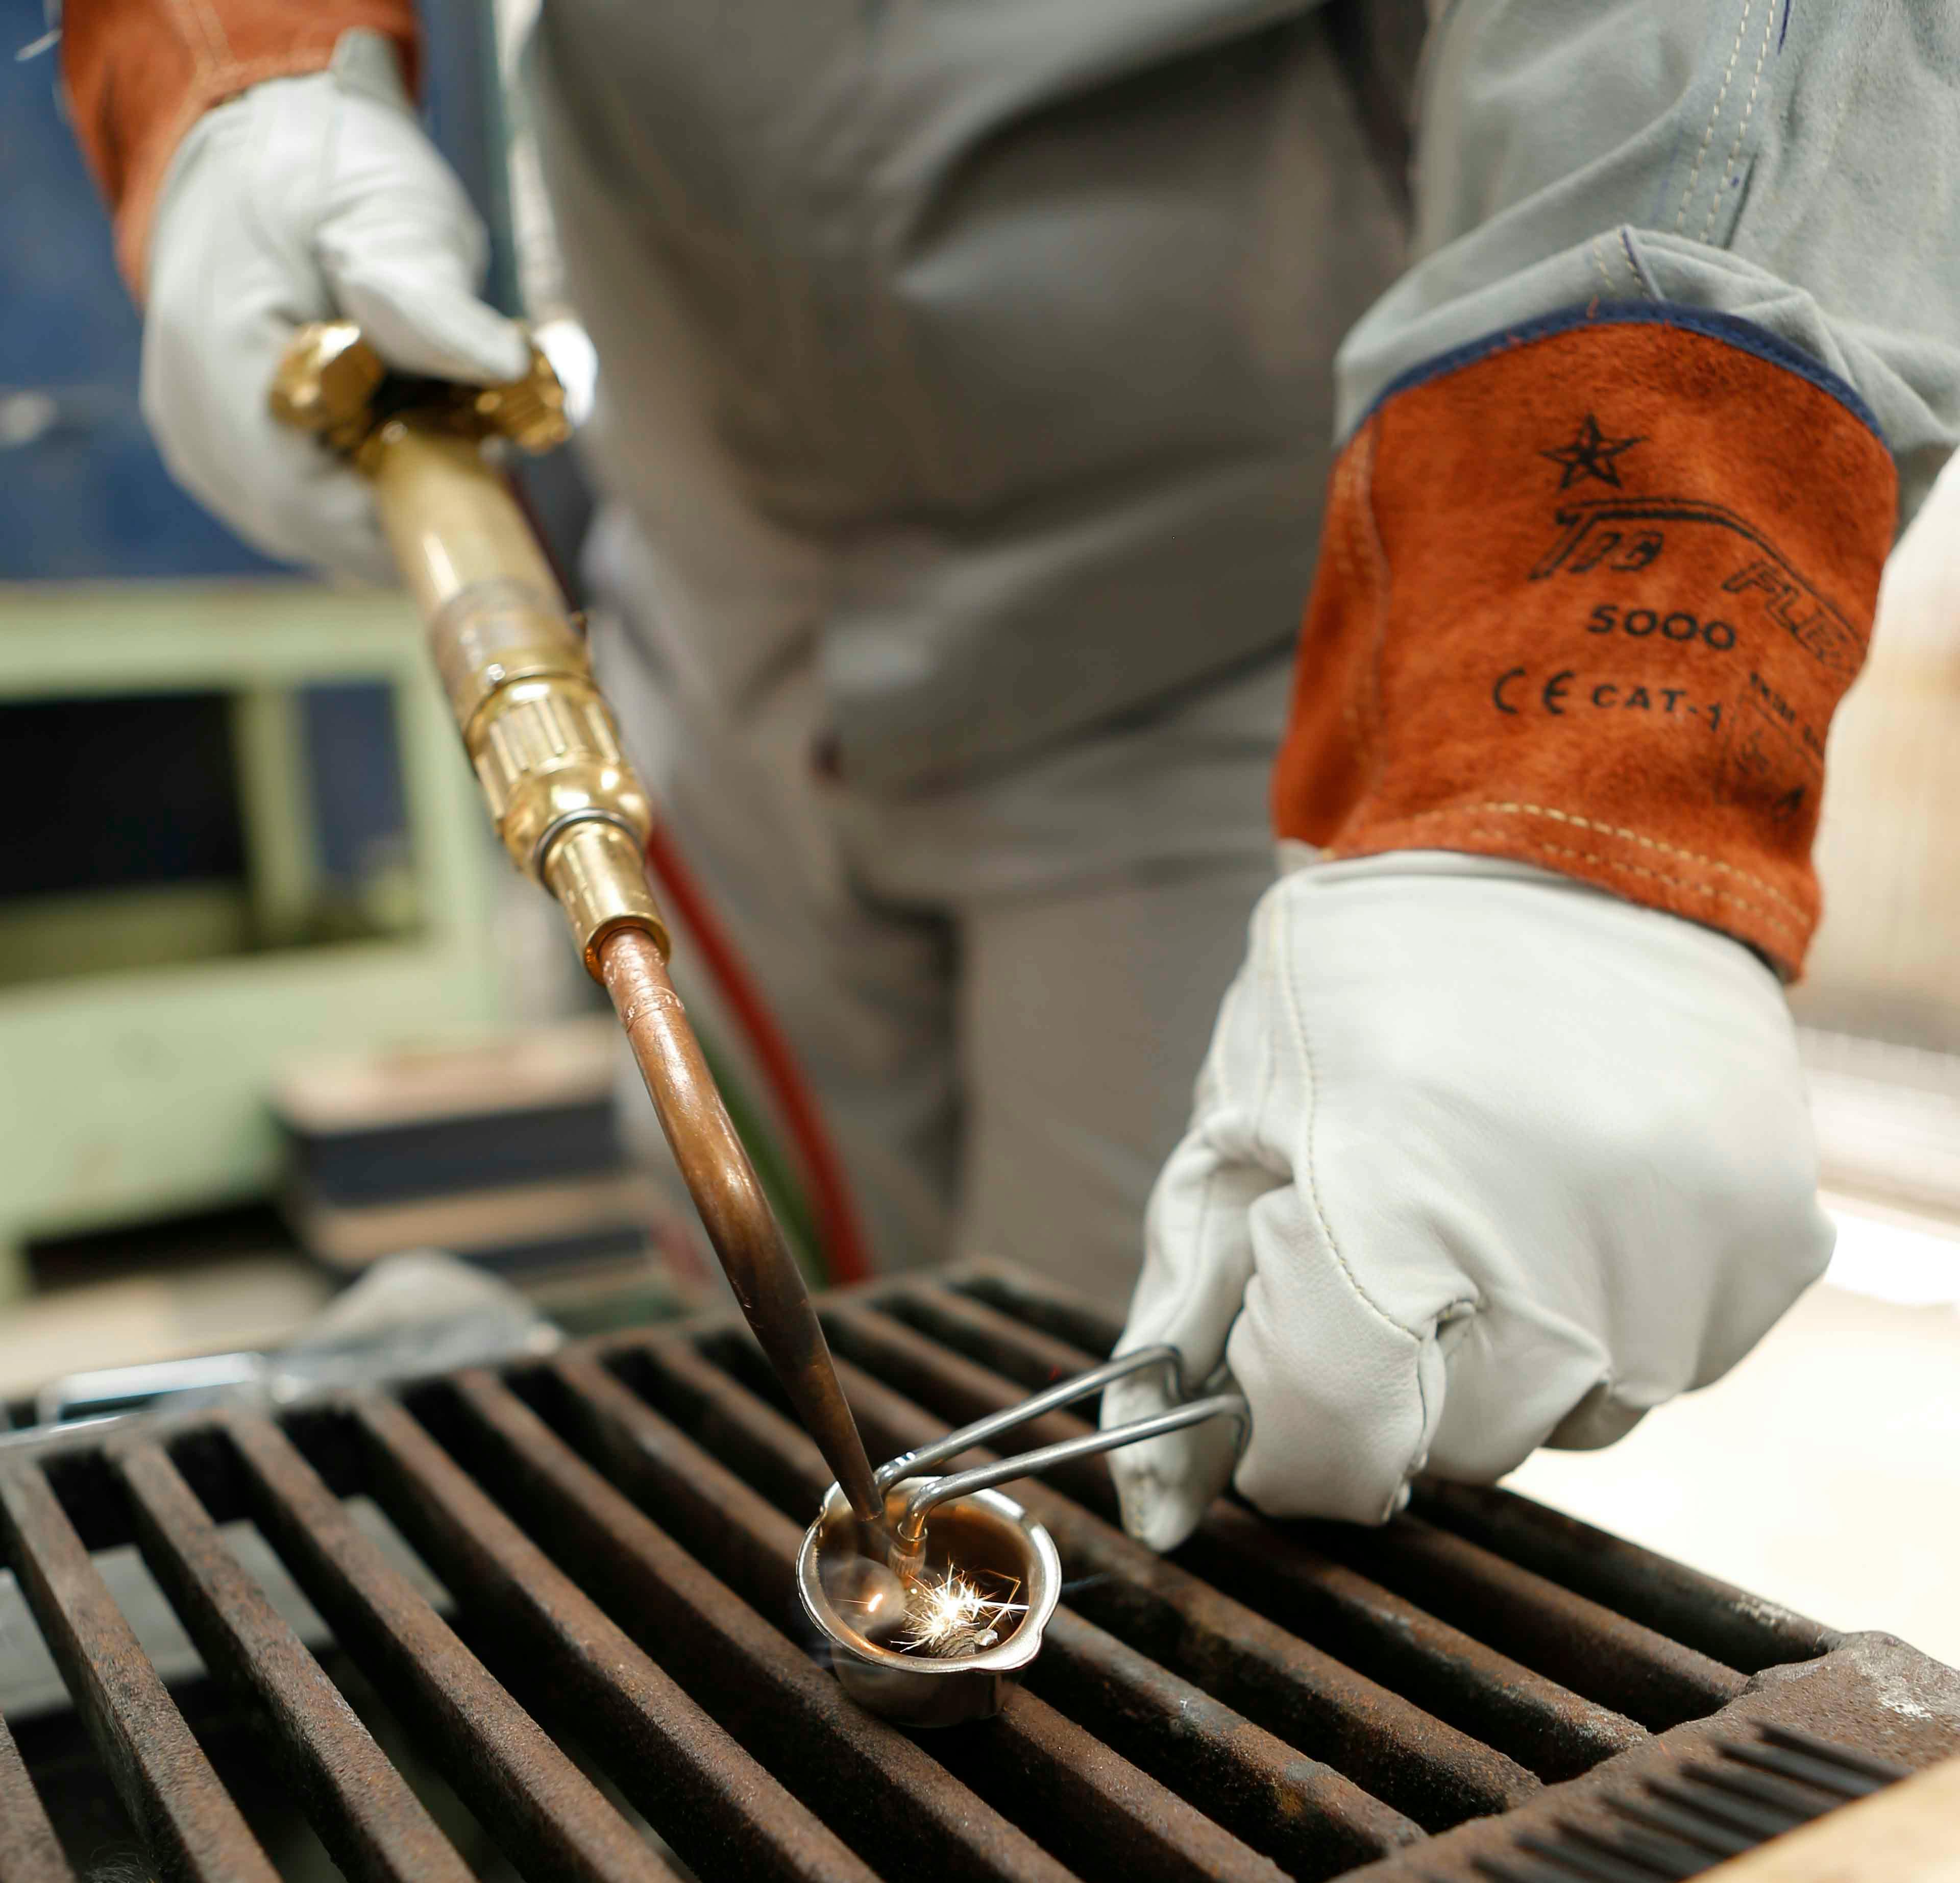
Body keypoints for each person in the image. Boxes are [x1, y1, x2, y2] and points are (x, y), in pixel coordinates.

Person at [58, 0, 1960, 1552]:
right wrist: (237, 71)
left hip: (1225, 629)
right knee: (756, 1387)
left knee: (1201, 1464)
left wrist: (1567, 788)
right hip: (722, 607)